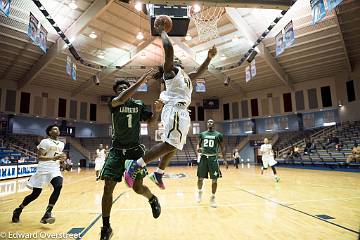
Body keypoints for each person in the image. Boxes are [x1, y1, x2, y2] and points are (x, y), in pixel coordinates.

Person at [124, 20, 218, 190]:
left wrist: (209, 58)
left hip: (182, 112)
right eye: (173, 59)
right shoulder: (170, 72)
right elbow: (169, 49)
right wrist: (162, 32)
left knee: (176, 146)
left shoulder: (185, 76)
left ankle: (158, 173)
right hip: (174, 109)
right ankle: (135, 165)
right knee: (171, 144)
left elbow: (200, 71)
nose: (175, 59)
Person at [99, 69, 162, 240]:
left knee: (137, 188)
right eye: (119, 88)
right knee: (107, 188)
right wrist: (142, 79)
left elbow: (151, 122)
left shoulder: (139, 105)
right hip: (117, 151)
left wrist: (156, 111)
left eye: (125, 87)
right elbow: (121, 98)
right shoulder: (114, 102)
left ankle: (152, 198)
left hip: (134, 151)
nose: (122, 90)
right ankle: (106, 227)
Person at [12, 125, 67, 224]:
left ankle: (48, 213)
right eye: (54, 129)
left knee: (58, 186)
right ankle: (18, 209)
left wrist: (62, 160)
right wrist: (52, 158)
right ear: (49, 132)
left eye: (58, 129)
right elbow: (40, 157)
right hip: (44, 169)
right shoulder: (45, 142)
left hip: (55, 169)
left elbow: (58, 157)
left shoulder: (61, 144)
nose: (57, 130)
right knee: (35, 194)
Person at [196, 119, 227, 208]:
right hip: (204, 157)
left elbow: (223, 147)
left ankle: (213, 197)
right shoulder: (202, 134)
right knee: (200, 178)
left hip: (213, 158)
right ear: (207, 124)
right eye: (208, 122)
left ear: (214, 124)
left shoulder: (218, 135)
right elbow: (198, 144)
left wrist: (224, 159)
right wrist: (198, 148)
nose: (209, 123)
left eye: (211, 122)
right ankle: (199, 191)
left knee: (214, 180)